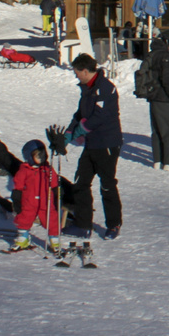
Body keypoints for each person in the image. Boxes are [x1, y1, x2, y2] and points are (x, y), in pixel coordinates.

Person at [65, 53, 123, 239]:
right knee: (81, 183)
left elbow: (100, 116)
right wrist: (69, 131)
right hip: (91, 144)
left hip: (106, 143)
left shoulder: (105, 88)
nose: (75, 76)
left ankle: (113, 225)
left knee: (107, 185)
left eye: (76, 72)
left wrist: (80, 130)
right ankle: (83, 225)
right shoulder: (87, 88)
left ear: (84, 71)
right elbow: (81, 112)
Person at [8, 139, 64, 255]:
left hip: (45, 202)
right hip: (28, 202)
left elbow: (54, 182)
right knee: (24, 218)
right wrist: (16, 195)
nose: (41, 158)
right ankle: (23, 238)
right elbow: (18, 184)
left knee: (51, 220)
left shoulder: (47, 169)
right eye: (38, 155)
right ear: (29, 156)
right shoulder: (24, 170)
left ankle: (55, 241)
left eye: (43, 155)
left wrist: (57, 191)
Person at [135, 35, 169, 170]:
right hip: (163, 97)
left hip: (152, 96)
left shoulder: (151, 56)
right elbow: (167, 80)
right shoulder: (165, 57)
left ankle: (158, 160)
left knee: (157, 129)